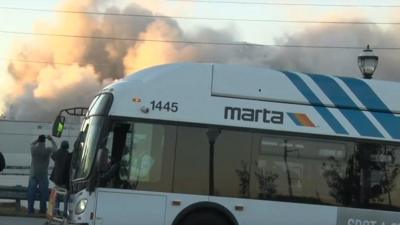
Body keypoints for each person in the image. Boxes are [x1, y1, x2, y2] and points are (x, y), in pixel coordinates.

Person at [27, 134, 57, 214]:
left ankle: (30, 209)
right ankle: (42, 210)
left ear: (38, 141)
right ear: (44, 141)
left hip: (33, 173)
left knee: (31, 192)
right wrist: (51, 140)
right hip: (43, 174)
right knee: (44, 193)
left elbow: (31, 144)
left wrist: (36, 140)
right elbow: (55, 149)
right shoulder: (47, 150)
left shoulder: (33, 149)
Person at [50, 140, 71, 216]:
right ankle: (65, 211)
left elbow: (52, 156)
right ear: (67, 147)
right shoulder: (68, 155)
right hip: (65, 179)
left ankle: (56, 210)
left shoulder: (57, 153)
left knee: (56, 195)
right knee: (66, 196)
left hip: (57, 179)